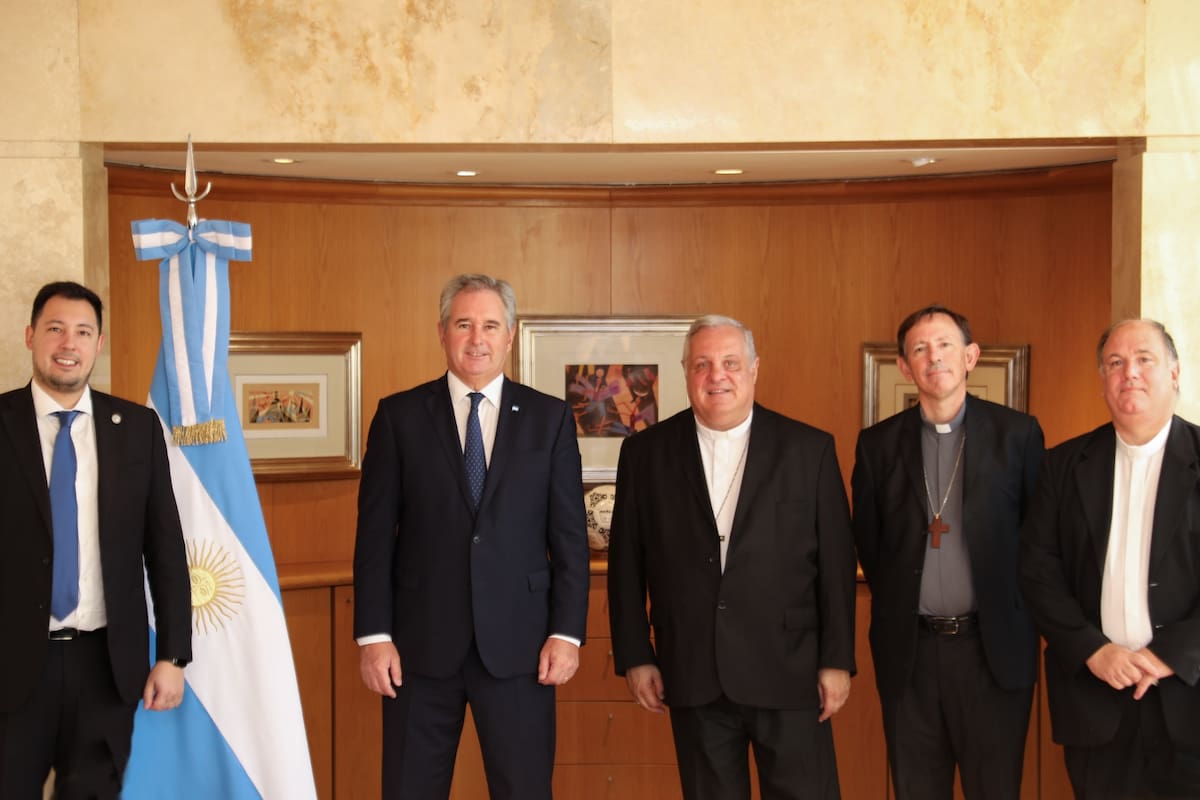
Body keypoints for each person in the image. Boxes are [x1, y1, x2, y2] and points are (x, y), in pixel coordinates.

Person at [353, 273, 590, 799]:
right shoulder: (399, 416)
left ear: (509, 336)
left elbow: (570, 539)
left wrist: (567, 633)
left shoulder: (549, 419)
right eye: (464, 324)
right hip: (417, 650)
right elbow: (372, 537)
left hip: (523, 650)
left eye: (489, 325)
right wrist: (374, 636)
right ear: (442, 332)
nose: (476, 338)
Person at [608, 314, 857, 800]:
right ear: (686, 373)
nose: (716, 375)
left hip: (791, 670)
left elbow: (836, 566)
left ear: (754, 369)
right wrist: (636, 655)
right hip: (693, 669)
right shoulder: (645, 454)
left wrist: (837, 660)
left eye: (729, 362)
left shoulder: (810, 449)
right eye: (702, 364)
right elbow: (626, 566)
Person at [0, 281, 192, 798]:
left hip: (105, 668)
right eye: (55, 328)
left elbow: (166, 548)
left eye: (83, 332)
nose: (69, 343)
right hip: (12, 667)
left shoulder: (135, 428)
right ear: (30, 335)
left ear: (98, 344)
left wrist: (174, 656)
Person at [851, 304, 1044, 800]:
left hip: (993, 651)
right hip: (911, 655)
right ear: (905, 366)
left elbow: (1038, 539)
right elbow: (871, 546)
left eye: (945, 346)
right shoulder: (877, 446)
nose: (933, 357)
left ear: (970, 356)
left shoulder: (1018, 436)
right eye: (920, 349)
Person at [1020, 319, 1200, 799]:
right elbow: (1038, 572)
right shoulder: (1063, 465)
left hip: (1189, 699)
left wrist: (1171, 655)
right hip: (1094, 698)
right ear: (1102, 379)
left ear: (1176, 372)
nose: (1130, 374)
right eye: (1115, 364)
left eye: (1145, 360)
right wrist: (1093, 650)